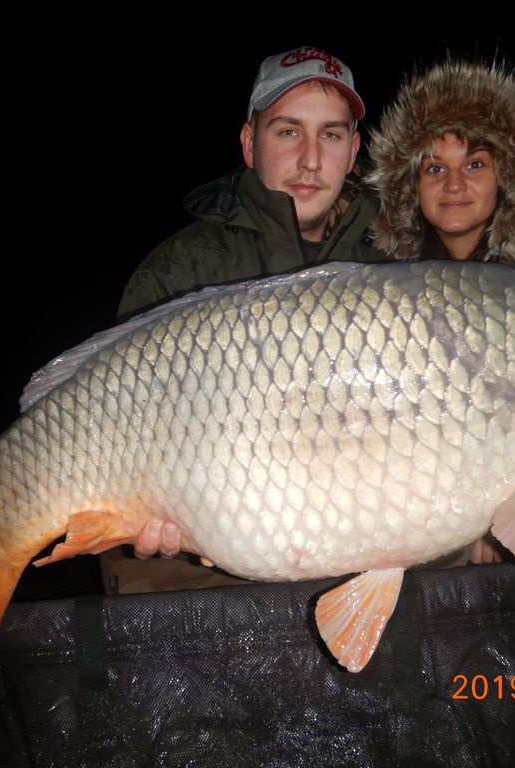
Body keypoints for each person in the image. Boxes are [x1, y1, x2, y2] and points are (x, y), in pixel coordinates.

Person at [104, 46, 388, 591]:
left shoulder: (391, 271)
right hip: (210, 571)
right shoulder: (179, 271)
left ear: (354, 151)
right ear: (249, 143)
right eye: (288, 131)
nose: (310, 159)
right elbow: (118, 434)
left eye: (330, 135)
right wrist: (140, 511)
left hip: (357, 555)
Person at [366, 61, 515, 563]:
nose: (454, 184)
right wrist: (465, 527)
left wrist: (499, 522)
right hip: (415, 469)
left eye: (475, 164)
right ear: (411, 185)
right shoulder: (384, 281)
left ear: (507, 176)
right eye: (435, 168)